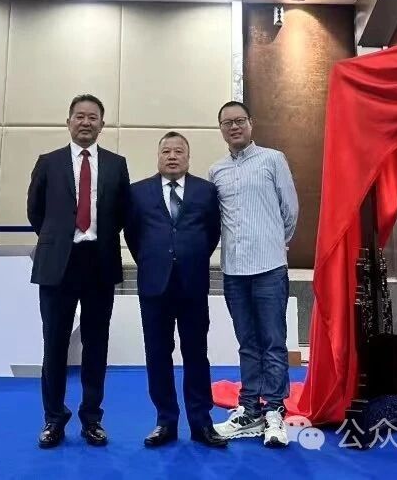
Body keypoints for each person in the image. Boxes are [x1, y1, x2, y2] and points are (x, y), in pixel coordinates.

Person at [26, 94, 131, 449]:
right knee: (54, 344)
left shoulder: (116, 165)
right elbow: (35, 212)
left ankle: (92, 419)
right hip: (58, 265)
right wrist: (59, 239)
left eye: (93, 117)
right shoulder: (48, 163)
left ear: (102, 124)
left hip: (99, 263)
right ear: (68, 121)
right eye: (80, 116)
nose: (86, 122)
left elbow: (122, 213)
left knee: (96, 345)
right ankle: (53, 419)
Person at [124, 132, 228, 449]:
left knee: (196, 353)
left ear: (188, 157)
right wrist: (154, 260)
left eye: (178, 151)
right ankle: (165, 421)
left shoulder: (206, 191)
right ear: (158, 156)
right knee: (157, 354)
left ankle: (201, 422)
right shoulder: (138, 192)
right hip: (154, 286)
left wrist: (189, 257)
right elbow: (133, 235)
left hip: (192, 285)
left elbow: (212, 233)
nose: (172, 156)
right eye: (166, 151)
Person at [208, 101, 299, 448]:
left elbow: (290, 211)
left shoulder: (273, 160)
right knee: (247, 343)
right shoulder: (216, 171)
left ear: (251, 123)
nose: (234, 127)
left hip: (269, 267)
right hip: (233, 270)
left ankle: (274, 410)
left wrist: (273, 241)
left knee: (273, 342)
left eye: (239, 121)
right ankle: (249, 409)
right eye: (227, 123)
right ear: (221, 129)